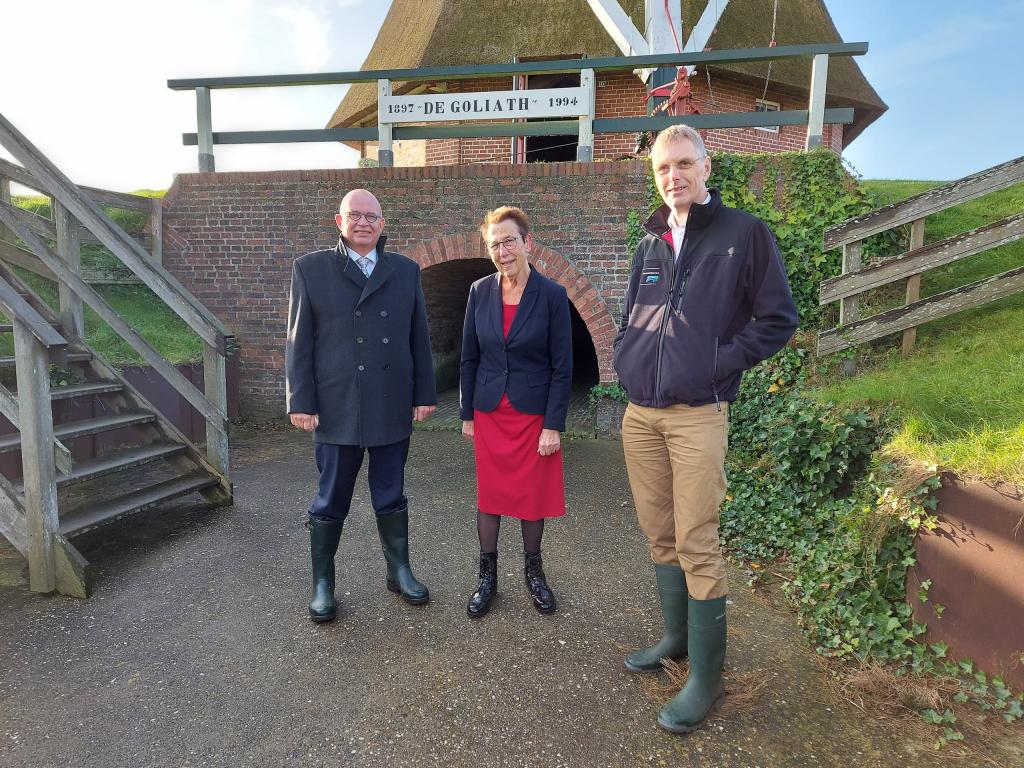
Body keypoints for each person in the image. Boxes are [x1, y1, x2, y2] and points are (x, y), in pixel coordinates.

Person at [613, 125, 798, 733]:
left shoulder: (744, 235)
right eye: (664, 168)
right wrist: (626, 356)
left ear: (707, 166)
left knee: (697, 540)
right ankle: (676, 639)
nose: (675, 177)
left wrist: (720, 362)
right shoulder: (650, 240)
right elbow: (634, 316)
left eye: (685, 164)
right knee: (659, 533)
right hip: (642, 414)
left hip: (698, 414)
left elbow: (777, 320)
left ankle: (708, 681)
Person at [286, 188, 437, 623]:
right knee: (331, 497)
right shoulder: (311, 269)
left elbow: (417, 338)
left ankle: (399, 570)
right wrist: (301, 399)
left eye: (372, 216)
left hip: (390, 402)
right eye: (356, 215)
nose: (364, 223)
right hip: (335, 406)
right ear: (340, 222)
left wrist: (424, 393)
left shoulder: (405, 271)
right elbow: (299, 342)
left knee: (390, 492)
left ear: (383, 224)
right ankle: (322, 584)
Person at [459, 206, 572, 618]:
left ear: (528, 242)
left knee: (531, 498)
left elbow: (563, 366)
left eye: (509, 241)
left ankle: (534, 573)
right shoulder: (478, 291)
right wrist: (467, 414)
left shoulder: (554, 295)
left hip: (532, 417)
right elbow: (469, 358)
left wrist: (553, 425)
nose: (502, 250)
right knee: (489, 497)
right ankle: (487, 576)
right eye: (494, 244)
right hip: (490, 412)